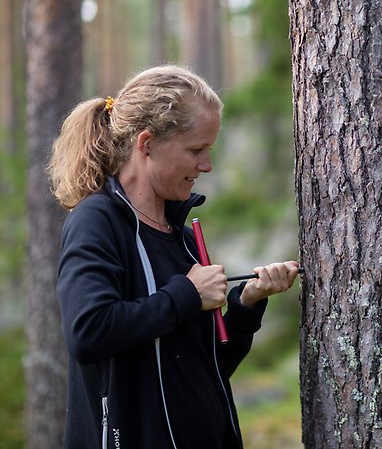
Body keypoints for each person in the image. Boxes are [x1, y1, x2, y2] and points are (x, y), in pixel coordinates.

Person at [49, 64, 301, 449]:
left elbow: (206, 369)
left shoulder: (183, 238)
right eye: (196, 149)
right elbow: (88, 332)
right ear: (146, 144)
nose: (206, 165)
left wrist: (247, 306)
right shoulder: (97, 220)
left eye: (209, 150)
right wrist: (184, 294)